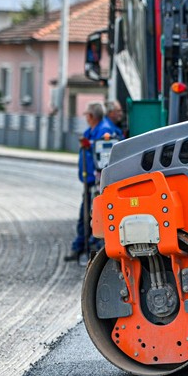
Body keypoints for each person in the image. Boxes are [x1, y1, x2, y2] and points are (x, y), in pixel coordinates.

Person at [65, 102, 119, 262]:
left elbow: (103, 154)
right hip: (91, 179)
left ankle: (88, 246)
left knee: (91, 214)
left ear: (91, 116)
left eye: (86, 115)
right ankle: (82, 246)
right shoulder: (95, 130)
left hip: (96, 181)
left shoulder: (104, 131)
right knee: (87, 213)